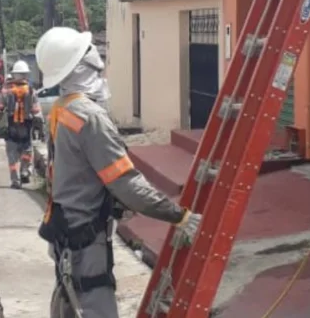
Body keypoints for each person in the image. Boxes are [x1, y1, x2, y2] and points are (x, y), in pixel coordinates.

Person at [35, 26, 199, 318]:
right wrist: (180, 216)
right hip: (85, 238)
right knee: (95, 306)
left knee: (72, 305)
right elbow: (126, 185)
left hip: (64, 230)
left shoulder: (61, 110)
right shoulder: (90, 117)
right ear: (82, 66)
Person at [0, 60, 40, 189]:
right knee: (27, 149)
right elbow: (36, 110)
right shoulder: (31, 90)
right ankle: (25, 171)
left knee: (12, 153)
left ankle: (15, 180)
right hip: (26, 125)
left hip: (11, 125)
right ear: (26, 75)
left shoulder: (6, 90)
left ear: (14, 75)